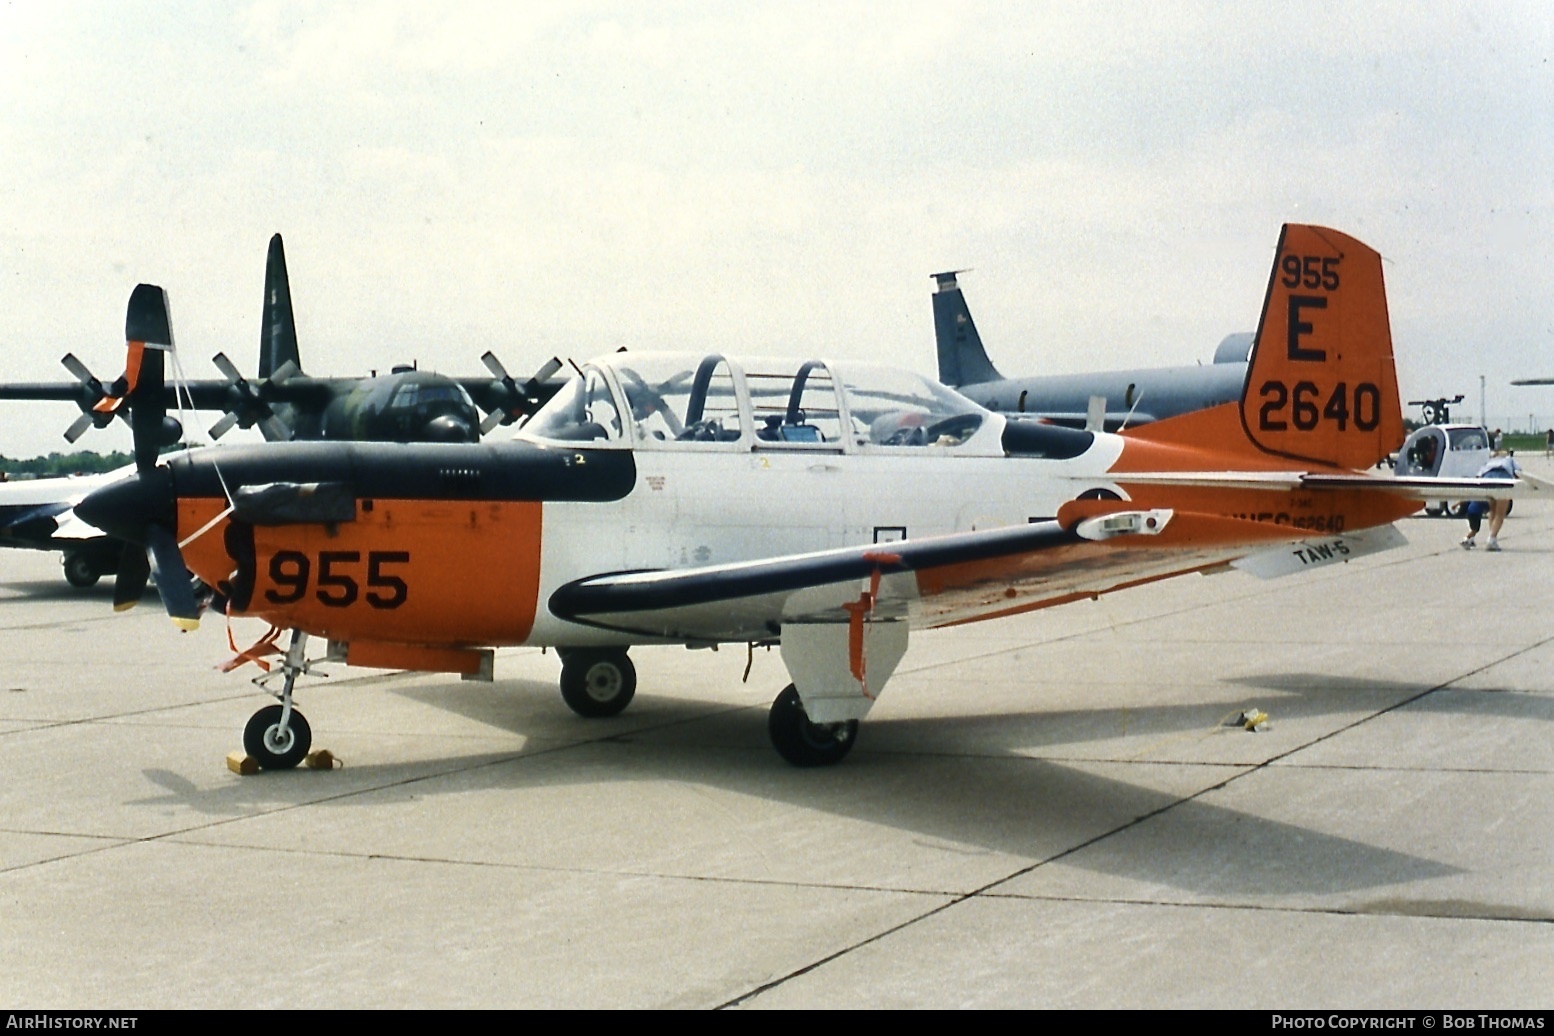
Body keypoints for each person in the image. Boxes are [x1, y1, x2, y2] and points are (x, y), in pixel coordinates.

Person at [1462, 450, 1521, 551]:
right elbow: (1518, 472)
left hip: (1487, 479)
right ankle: (1492, 539)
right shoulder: (1509, 460)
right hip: (1503, 479)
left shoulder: (1489, 461)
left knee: (1492, 510)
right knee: (1500, 514)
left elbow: (1478, 475)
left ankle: (1492, 537)